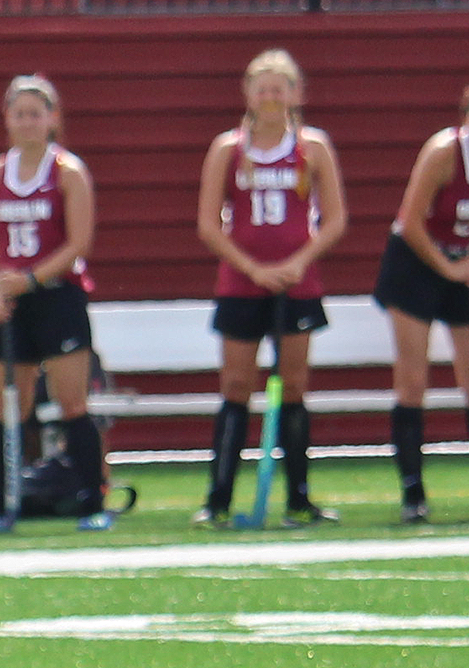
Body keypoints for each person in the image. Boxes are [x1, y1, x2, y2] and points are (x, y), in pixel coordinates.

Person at [192, 47, 347, 528]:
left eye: (280, 87)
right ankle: (217, 499)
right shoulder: (228, 148)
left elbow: (335, 218)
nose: (271, 95)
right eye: (262, 87)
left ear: (295, 93)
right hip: (242, 283)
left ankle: (299, 498)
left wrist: (298, 261)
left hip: (297, 284)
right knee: (236, 385)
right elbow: (209, 223)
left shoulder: (313, 147)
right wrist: (254, 268)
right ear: (248, 93)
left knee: (295, 385)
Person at [377, 79, 469, 523]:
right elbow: (410, 221)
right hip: (415, 265)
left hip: (462, 264)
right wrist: (451, 268)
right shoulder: (443, 154)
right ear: (465, 120)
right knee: (413, 380)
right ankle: (413, 494)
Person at [0, 74, 101, 520]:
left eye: (35, 113)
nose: (27, 122)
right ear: (7, 118)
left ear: (52, 118)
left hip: (57, 297)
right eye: (19, 113)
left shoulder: (68, 172)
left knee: (71, 402)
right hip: (10, 300)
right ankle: (5, 500)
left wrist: (31, 278)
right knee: (9, 405)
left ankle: (91, 498)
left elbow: (78, 243)